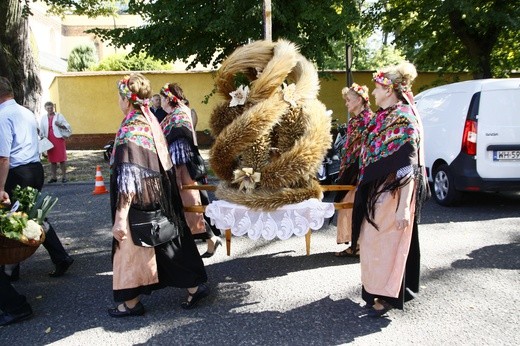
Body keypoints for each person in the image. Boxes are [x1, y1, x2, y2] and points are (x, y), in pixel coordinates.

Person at [108, 73, 209, 317]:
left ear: (126, 99)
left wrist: (120, 216)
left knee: (132, 248)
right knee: (167, 242)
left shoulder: (131, 127)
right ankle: (194, 284)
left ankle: (130, 302)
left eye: (120, 98)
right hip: (160, 196)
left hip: (138, 202)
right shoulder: (150, 119)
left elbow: (128, 175)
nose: (119, 102)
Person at [350, 62, 428, 318]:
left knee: (386, 245)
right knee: (372, 243)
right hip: (377, 192)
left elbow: (408, 166)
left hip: (393, 194)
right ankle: (374, 291)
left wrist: (404, 206)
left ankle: (384, 296)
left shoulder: (404, 118)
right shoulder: (382, 117)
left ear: (389, 89)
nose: (372, 93)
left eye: (376, 87)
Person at [0, 77, 74, 280]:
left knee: (13, 219)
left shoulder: (3, 115)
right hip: (34, 168)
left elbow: (4, 157)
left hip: (17, 172)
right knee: (33, 215)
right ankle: (60, 257)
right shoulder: (25, 112)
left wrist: (0, 187)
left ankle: (10, 270)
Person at [160, 83, 221, 258]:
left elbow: (179, 150)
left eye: (163, 98)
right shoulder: (179, 113)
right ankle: (210, 239)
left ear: (169, 99)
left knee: (188, 210)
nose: (161, 102)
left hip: (184, 172)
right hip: (188, 169)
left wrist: (176, 177)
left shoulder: (176, 117)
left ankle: (189, 252)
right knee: (191, 209)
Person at [334, 83, 372, 258]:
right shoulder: (355, 120)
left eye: (349, 99)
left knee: (354, 206)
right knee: (349, 205)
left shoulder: (367, 120)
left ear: (360, 100)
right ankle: (356, 243)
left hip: (359, 171)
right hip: (351, 169)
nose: (346, 103)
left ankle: (357, 245)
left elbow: (365, 149)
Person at [39, 101, 72, 183]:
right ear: (45, 109)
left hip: (58, 139)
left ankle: (64, 176)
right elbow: (41, 129)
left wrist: (60, 125)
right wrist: (41, 136)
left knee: (61, 159)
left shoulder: (59, 116)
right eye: (48, 108)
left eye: (51, 108)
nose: (50, 109)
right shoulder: (43, 118)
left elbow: (67, 126)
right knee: (52, 160)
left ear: (53, 108)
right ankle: (54, 177)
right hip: (49, 139)